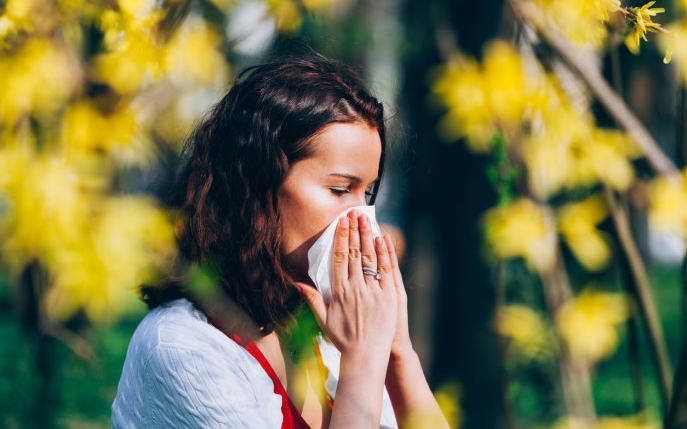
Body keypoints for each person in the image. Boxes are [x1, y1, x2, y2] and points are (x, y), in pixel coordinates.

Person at [112, 53, 449, 428]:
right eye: (340, 189)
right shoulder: (182, 348)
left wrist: (397, 352)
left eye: (366, 194)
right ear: (256, 186)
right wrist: (364, 359)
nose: (363, 223)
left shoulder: (326, 333)